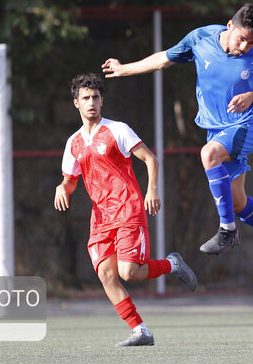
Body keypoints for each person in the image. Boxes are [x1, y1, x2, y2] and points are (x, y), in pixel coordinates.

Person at [102, 3, 253, 275]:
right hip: (217, 130)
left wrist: (252, 96)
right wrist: (125, 69)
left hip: (247, 126)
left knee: (209, 154)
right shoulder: (201, 38)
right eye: (242, 39)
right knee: (238, 201)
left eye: (252, 42)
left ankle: (227, 230)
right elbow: (163, 59)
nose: (245, 47)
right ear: (229, 26)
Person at [54, 73, 198, 347]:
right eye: (85, 98)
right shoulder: (73, 143)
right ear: (76, 103)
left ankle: (172, 264)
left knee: (129, 273)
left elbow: (150, 159)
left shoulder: (117, 130)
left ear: (102, 99)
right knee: (107, 274)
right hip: (100, 217)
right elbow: (70, 181)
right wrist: (62, 187)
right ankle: (140, 330)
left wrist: (152, 190)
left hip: (128, 209)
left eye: (96, 97)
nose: (92, 102)